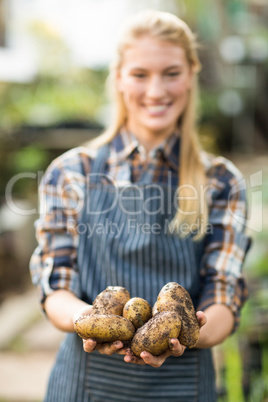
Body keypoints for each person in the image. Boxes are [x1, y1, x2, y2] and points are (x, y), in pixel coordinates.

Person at [30, 9, 251, 402]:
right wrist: (93, 323)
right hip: (86, 386)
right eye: (139, 74)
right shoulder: (71, 172)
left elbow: (224, 295)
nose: (156, 91)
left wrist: (189, 331)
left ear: (191, 75)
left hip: (184, 387)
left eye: (171, 73)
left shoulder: (221, 181)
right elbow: (56, 288)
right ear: (117, 78)